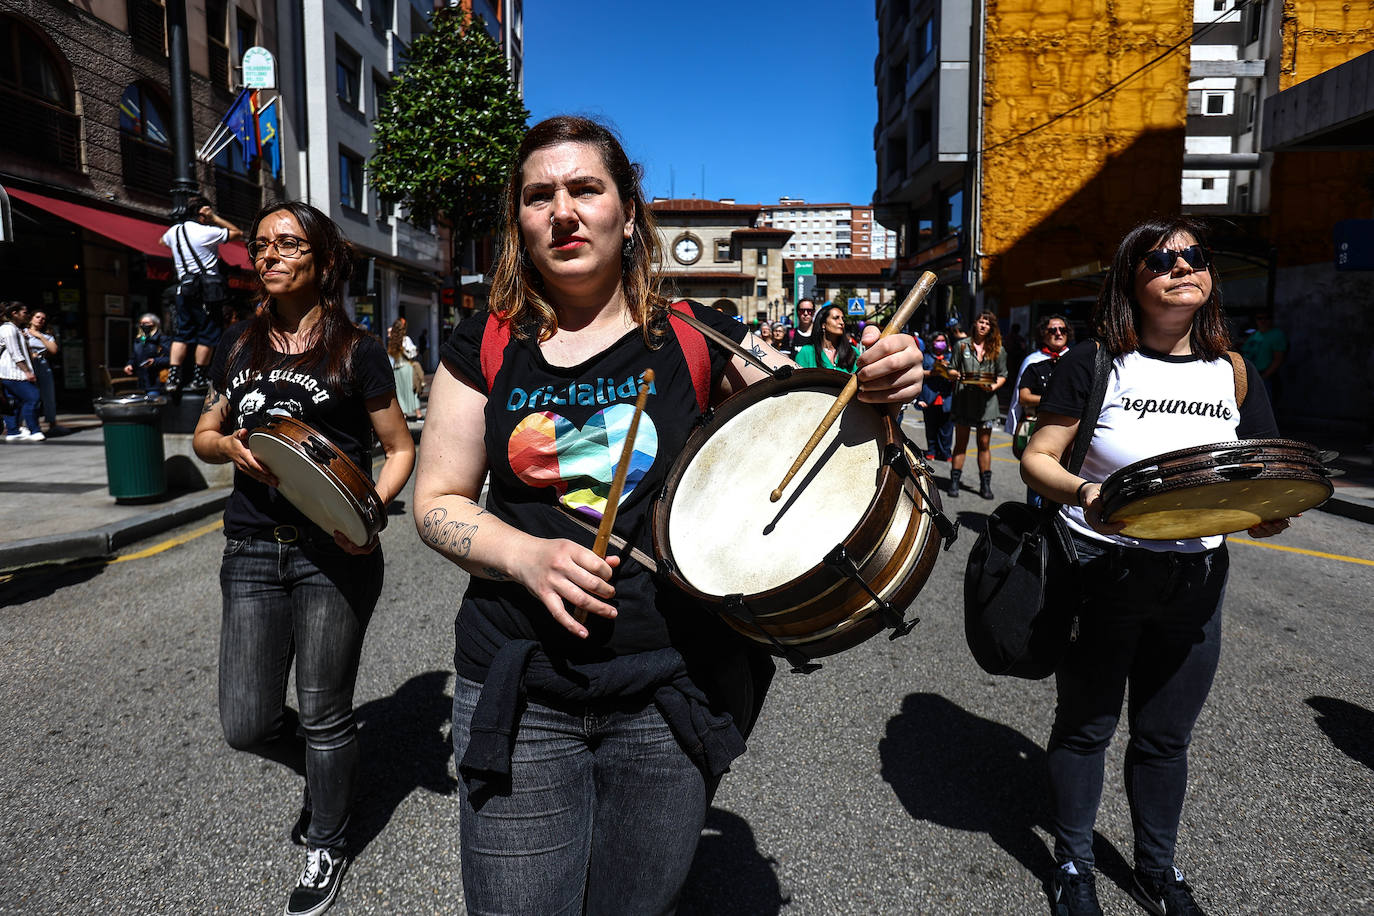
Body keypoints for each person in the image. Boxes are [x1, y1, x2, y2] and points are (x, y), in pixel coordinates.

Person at [412, 114, 924, 915]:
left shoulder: (695, 335)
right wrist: (523, 556)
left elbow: (817, 424)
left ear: (626, 210)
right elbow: (437, 503)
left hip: (664, 692)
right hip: (519, 683)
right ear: (519, 220)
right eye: (540, 195)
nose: (564, 212)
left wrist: (882, 381)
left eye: (586, 188)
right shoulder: (485, 341)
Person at [1020, 217, 1290, 916]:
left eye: (1193, 256)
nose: (1181, 266)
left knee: (1166, 737)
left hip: (1197, 581)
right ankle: (1074, 865)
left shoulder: (1233, 371)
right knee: (1086, 726)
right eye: (1160, 259)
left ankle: (1156, 872)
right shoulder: (1094, 361)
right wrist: (1085, 491)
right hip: (1103, 570)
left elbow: (1260, 473)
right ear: (1130, 281)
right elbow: (1038, 457)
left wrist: (1266, 510)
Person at [192, 201, 415, 916]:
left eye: (288, 243)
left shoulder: (357, 349)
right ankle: (333, 775)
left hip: (334, 553)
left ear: (321, 259)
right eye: (261, 244)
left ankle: (330, 834)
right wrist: (223, 444)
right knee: (247, 721)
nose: (269, 254)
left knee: (324, 713)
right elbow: (204, 430)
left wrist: (368, 517)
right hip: (252, 547)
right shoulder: (236, 344)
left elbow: (401, 449)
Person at [160, 195, 243, 393]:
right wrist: (214, 217)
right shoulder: (207, 232)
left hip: (184, 288)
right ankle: (199, 377)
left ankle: (173, 377)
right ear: (202, 213)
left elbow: (162, 241)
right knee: (207, 334)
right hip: (207, 291)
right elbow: (237, 233)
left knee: (183, 333)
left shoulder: (174, 231)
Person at [947, 310, 1007, 499]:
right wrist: (955, 374)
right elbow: (951, 369)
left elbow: (1003, 374)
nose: (983, 326)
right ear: (975, 323)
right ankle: (954, 482)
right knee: (961, 443)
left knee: (984, 444)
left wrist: (993, 387)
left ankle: (985, 485)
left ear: (991, 328)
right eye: (981, 321)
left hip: (987, 403)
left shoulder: (997, 349)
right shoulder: (961, 346)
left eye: (987, 324)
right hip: (963, 400)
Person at [1006, 313, 1073, 441]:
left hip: (1068, 428)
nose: (1058, 333)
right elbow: (1023, 397)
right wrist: (1054, 400)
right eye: (1053, 330)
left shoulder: (1076, 359)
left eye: (1063, 330)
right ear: (1043, 334)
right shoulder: (1033, 362)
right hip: (1038, 427)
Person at [1, 301, 43, 442]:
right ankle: (34, 430)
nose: (27, 315)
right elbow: (15, 353)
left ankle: (13, 431)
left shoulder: (15, 329)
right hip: (14, 373)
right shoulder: (8, 329)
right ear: (14, 313)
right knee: (33, 398)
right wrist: (27, 372)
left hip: (10, 373)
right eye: (24, 313)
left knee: (14, 402)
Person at [916, 331, 955, 461]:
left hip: (947, 397)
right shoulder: (925, 356)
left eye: (942, 341)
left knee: (947, 428)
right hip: (929, 396)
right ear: (932, 342)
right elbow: (918, 374)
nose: (940, 343)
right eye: (937, 341)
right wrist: (932, 372)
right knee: (931, 427)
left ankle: (946, 452)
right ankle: (931, 451)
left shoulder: (951, 356)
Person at [23, 307, 63, 434]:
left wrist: (40, 336)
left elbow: (54, 350)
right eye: (38, 317)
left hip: (42, 364)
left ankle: (52, 422)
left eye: (43, 319)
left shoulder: (46, 336)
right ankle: (28, 425)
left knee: (48, 394)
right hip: (28, 365)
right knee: (29, 396)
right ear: (31, 318)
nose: (41, 320)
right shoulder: (22, 332)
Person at [794, 303, 862, 373]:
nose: (841, 322)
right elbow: (799, 380)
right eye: (836, 318)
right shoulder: (807, 352)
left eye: (842, 319)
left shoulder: (852, 352)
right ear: (823, 324)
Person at [1239, 309, 1286, 405]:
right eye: (1260, 318)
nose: (1263, 321)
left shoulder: (1277, 335)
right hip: (1249, 377)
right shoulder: (1254, 334)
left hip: (1265, 377)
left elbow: (1278, 359)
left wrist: (1263, 377)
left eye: (1267, 318)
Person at [124, 313, 172, 393]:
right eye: (141, 323)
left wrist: (155, 361)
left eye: (146, 323)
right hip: (142, 382)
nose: (143, 325)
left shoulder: (162, 339)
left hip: (157, 381)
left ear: (155, 324)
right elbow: (134, 357)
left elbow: (170, 358)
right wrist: (130, 365)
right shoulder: (139, 340)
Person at [387, 318, 423, 421]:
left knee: (400, 392)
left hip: (396, 370)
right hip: (406, 368)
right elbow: (412, 354)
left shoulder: (392, 342)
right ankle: (418, 414)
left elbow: (390, 359)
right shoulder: (406, 339)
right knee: (412, 390)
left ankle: (404, 414)